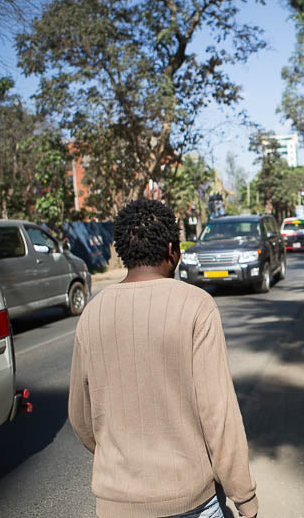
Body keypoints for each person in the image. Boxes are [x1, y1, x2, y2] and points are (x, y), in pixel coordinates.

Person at [69, 199, 258, 518]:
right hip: (189, 500)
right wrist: (245, 497)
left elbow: (80, 416)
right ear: (173, 249)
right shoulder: (197, 306)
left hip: (116, 503)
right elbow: (218, 415)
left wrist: (121, 460)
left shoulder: (93, 312)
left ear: (121, 251)